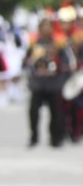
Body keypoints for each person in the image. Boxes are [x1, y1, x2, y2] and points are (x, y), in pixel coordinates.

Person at [26, 17, 70, 148]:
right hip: (38, 83)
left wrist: (61, 76)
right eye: (43, 26)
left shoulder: (59, 43)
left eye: (48, 26)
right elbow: (27, 61)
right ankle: (34, 137)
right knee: (33, 111)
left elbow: (66, 62)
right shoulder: (34, 43)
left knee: (56, 112)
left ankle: (55, 138)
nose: (46, 28)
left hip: (54, 83)